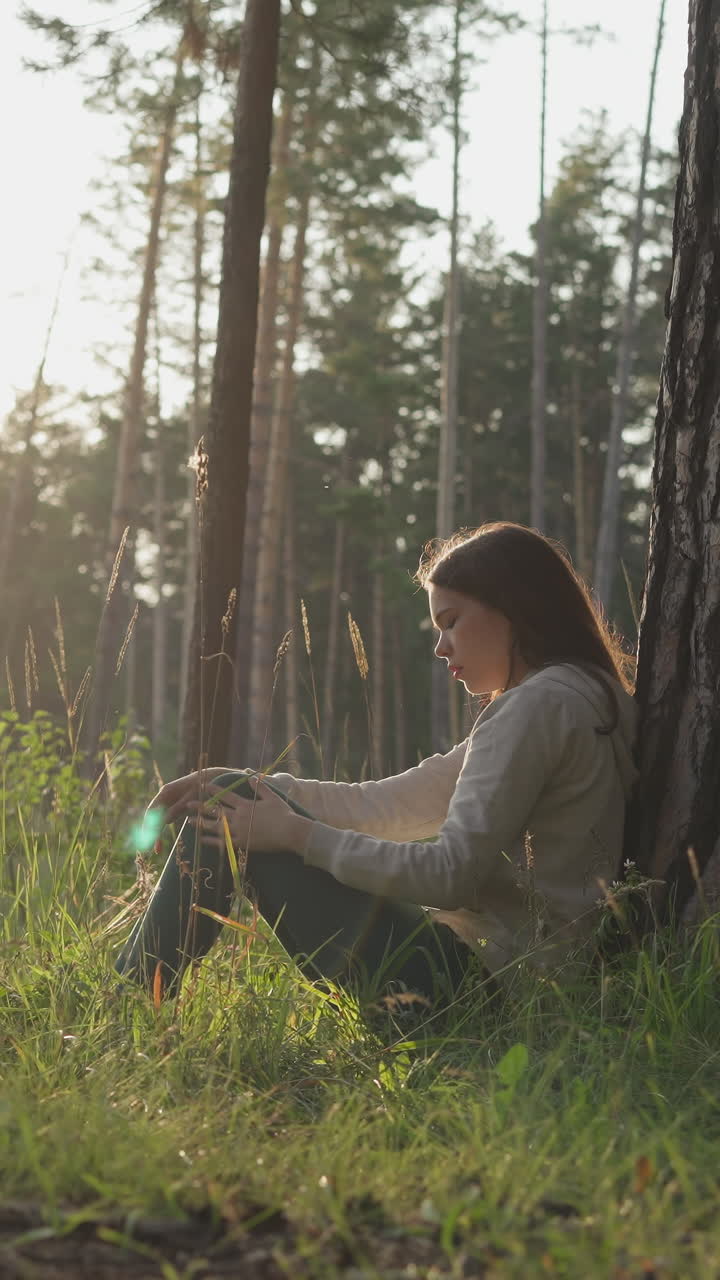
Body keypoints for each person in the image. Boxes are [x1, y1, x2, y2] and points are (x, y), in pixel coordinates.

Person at [115, 521, 638, 1007]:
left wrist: (294, 833)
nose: (440, 647)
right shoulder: (577, 696)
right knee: (233, 793)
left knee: (229, 801)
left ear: (511, 605)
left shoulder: (537, 707)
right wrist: (258, 787)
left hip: (479, 990)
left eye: (451, 622)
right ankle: (130, 998)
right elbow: (387, 805)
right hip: (511, 983)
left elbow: (450, 874)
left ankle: (125, 1003)